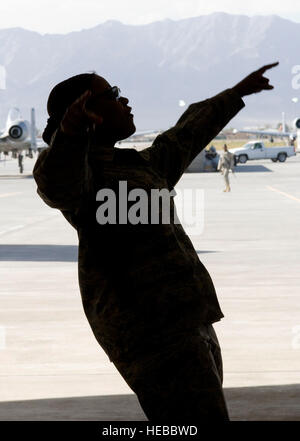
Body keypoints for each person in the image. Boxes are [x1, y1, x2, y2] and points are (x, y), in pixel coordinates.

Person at [33, 62, 278, 421]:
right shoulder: (84, 175)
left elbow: (185, 134)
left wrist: (235, 93)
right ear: (87, 111)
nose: (125, 99)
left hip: (189, 319)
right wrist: (70, 134)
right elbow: (55, 183)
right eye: (113, 95)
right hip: (151, 333)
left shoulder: (138, 165)